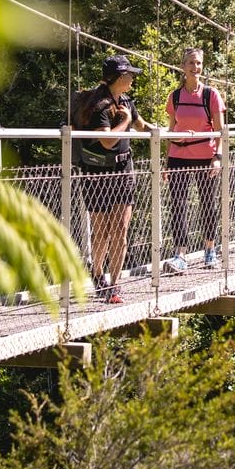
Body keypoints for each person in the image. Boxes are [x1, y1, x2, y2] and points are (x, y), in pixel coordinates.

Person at [70, 55, 152, 303]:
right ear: (119, 77)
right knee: (102, 230)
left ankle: (115, 285)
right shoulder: (98, 105)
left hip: (123, 170)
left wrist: (166, 133)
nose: (133, 78)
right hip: (96, 173)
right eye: (130, 74)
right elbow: (108, 141)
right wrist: (125, 120)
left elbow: (139, 125)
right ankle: (97, 276)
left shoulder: (125, 99)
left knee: (120, 228)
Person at [164, 47, 226, 271]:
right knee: (178, 205)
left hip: (205, 155)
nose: (195, 67)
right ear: (183, 67)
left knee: (208, 204)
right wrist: (166, 162)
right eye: (191, 63)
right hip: (178, 156)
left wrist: (217, 157)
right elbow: (171, 130)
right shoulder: (175, 96)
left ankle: (210, 250)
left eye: (198, 63)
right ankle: (180, 254)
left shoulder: (211, 95)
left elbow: (220, 130)